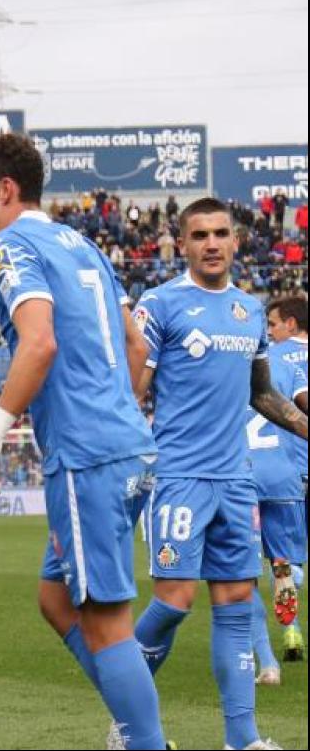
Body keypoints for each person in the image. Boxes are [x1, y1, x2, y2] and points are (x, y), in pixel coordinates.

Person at [0, 133, 166, 750]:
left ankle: (144, 737)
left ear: (5, 189)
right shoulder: (82, 243)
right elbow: (136, 347)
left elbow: (39, 343)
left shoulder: (10, 243)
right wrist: (117, 418)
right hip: (126, 444)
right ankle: (136, 723)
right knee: (56, 598)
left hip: (87, 455)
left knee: (105, 622)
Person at [130, 198, 307, 751]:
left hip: (236, 481)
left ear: (236, 241)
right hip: (180, 476)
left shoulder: (249, 312)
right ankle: (126, 716)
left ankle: (243, 738)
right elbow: (132, 393)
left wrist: (305, 426)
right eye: (200, 234)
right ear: (181, 243)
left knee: (234, 602)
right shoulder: (159, 305)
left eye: (221, 233)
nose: (211, 243)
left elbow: (261, 393)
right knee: (175, 601)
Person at [246, 295, 308, 683]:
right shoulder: (291, 365)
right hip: (288, 474)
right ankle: (291, 628)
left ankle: (266, 662)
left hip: (244, 473)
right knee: (284, 563)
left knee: (241, 572)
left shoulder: (273, 357)